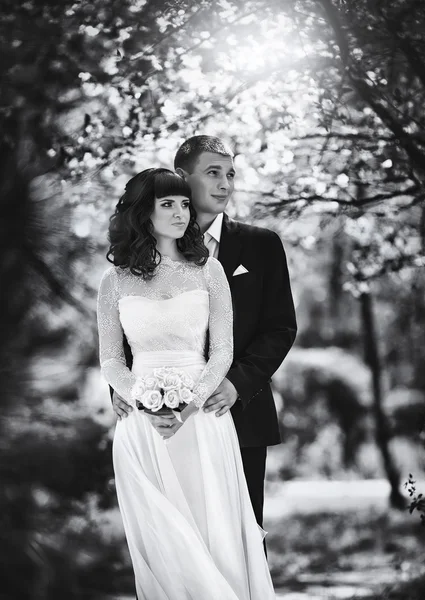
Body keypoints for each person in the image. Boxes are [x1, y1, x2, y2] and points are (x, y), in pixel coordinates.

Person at [97, 168, 275, 599]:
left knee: (213, 532)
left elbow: (223, 351)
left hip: (203, 421)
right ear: (143, 213)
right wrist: (143, 401)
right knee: (163, 545)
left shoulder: (209, 271)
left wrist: (189, 405)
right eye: (167, 204)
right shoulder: (114, 281)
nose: (181, 212)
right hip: (143, 430)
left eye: (182, 203)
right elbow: (111, 358)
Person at [113, 135, 297, 530]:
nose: (225, 184)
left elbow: (280, 327)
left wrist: (237, 384)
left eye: (230, 174)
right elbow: (125, 332)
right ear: (182, 177)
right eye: (213, 173)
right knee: (171, 540)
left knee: (241, 536)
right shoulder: (135, 258)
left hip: (237, 412)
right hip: (156, 418)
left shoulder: (262, 246)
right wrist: (125, 391)